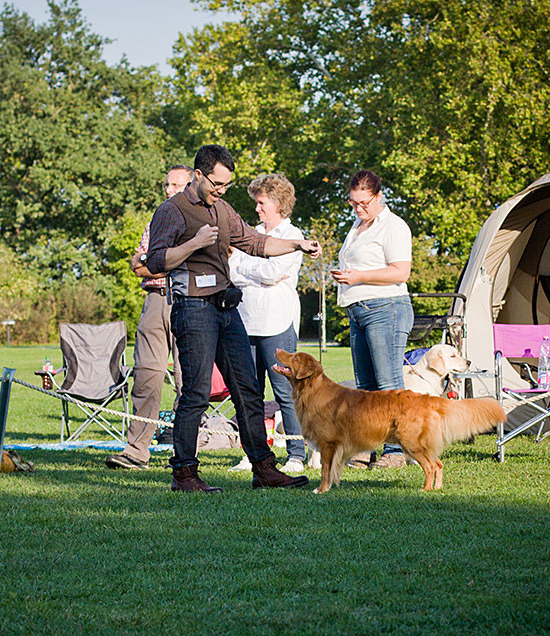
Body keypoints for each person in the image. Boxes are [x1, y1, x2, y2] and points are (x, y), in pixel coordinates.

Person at [145, 144, 322, 492]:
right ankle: (184, 474)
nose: (221, 191)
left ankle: (264, 469)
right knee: (195, 392)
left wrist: (297, 245)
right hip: (193, 309)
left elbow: (257, 243)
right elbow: (155, 261)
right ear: (198, 175)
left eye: (226, 185)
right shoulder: (171, 211)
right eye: (216, 183)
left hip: (227, 309)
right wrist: (193, 244)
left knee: (248, 390)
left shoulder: (223, 210)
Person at [105, 165, 193, 470]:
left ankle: (183, 455)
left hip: (188, 302)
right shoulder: (156, 220)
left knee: (188, 382)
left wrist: (158, 260)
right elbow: (138, 264)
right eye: (167, 185)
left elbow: (187, 264)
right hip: (155, 301)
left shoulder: (199, 220)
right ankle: (136, 450)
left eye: (175, 185)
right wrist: (166, 261)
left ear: (191, 186)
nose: (168, 190)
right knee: (146, 377)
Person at [331, 169, 414, 468]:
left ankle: (395, 452)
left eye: (364, 203)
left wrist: (359, 276)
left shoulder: (393, 226)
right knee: (364, 386)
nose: (359, 208)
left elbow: (400, 271)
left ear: (379, 196)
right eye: (353, 203)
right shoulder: (356, 227)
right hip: (358, 310)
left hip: (386, 309)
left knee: (387, 384)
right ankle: (366, 448)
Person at [227, 173, 307, 473]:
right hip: (246, 321)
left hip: (278, 321)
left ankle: (296, 453)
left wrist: (251, 267)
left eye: (261, 202)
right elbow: (233, 270)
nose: (257, 208)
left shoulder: (293, 235)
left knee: (285, 390)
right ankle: (254, 453)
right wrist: (256, 268)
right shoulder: (250, 233)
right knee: (250, 392)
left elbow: (274, 273)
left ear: (277, 202)